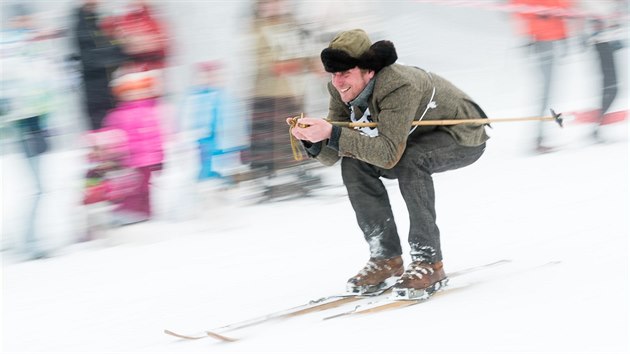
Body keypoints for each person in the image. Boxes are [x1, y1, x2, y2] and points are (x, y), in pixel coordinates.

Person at [287, 29, 489, 299]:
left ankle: (429, 262)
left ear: (369, 71)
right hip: (412, 138)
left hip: (462, 136)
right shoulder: (338, 89)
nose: (338, 82)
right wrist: (313, 139)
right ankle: (386, 259)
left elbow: (388, 154)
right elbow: (333, 155)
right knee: (353, 162)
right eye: (333, 74)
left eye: (345, 73)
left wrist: (332, 133)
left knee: (411, 160)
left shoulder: (398, 85)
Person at [510, 0, 572, 153]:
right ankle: (537, 138)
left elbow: (564, 7)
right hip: (541, 41)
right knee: (545, 92)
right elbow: (519, 7)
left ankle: (539, 137)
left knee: (549, 91)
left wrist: (564, 37)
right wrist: (539, 16)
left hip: (553, 40)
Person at [73, 0, 129, 131]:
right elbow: (91, 58)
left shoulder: (94, 19)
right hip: (96, 89)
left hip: (104, 87)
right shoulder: (81, 24)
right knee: (103, 129)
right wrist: (121, 49)